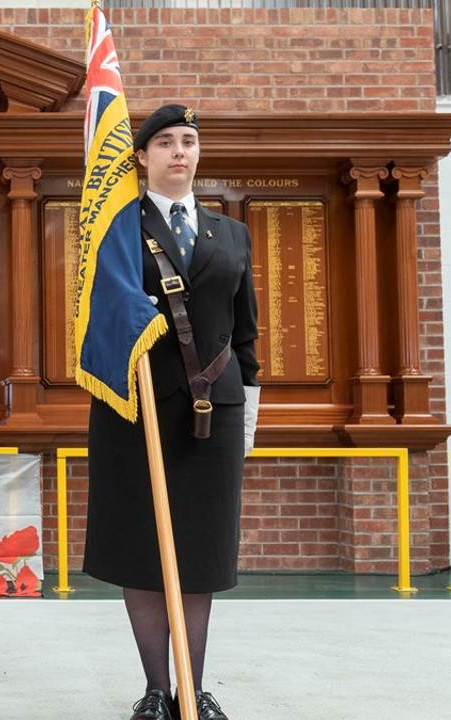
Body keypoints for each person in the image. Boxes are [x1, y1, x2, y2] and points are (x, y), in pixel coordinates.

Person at [83, 104, 260, 720]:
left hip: (215, 411)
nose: (179, 152)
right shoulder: (115, 230)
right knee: (142, 547)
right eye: (164, 142)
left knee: (201, 553)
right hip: (137, 411)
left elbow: (246, 335)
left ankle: (194, 688)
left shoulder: (231, 233)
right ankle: (157, 689)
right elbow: (97, 316)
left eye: (188, 141)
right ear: (142, 157)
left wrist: (251, 412)